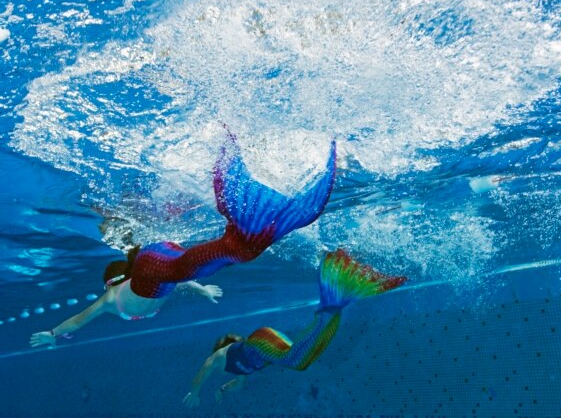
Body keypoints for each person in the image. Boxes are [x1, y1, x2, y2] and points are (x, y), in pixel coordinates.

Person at [30, 134, 337, 347]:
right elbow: (178, 278)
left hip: (157, 266)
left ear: (112, 282)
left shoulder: (112, 300)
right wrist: (202, 289)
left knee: (229, 253)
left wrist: (52, 333)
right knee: (187, 265)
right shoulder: (129, 282)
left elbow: (78, 320)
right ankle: (229, 229)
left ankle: (243, 235)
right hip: (164, 261)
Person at [183, 249, 407, 408]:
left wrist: (195, 391)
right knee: (303, 358)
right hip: (267, 341)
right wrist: (222, 391)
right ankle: (339, 298)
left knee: (296, 360)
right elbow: (238, 386)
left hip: (259, 341)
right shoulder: (241, 370)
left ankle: (331, 287)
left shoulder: (222, 357)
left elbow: (205, 368)